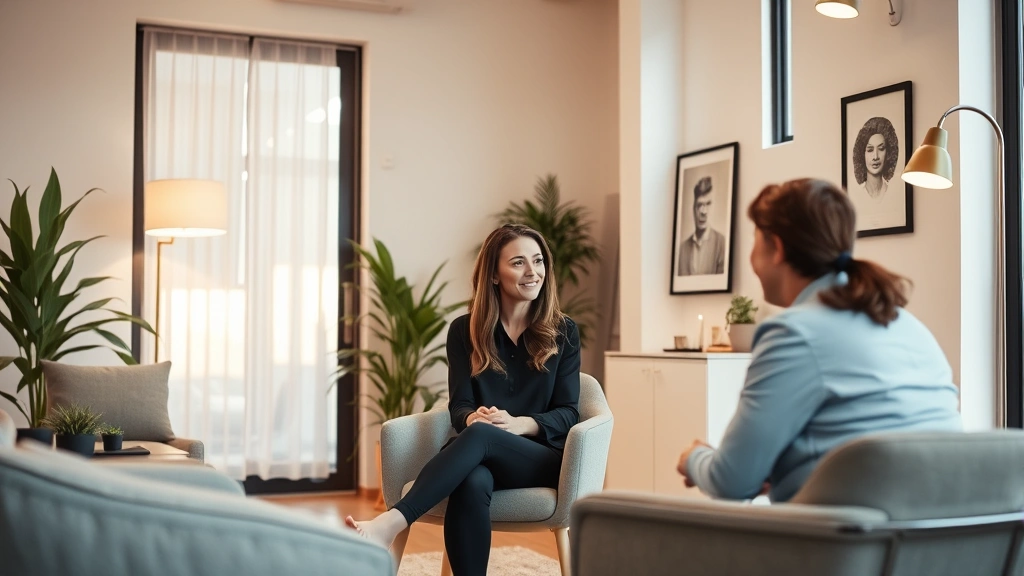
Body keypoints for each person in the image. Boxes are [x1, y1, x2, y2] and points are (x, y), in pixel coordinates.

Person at [676, 178, 961, 503]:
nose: (751, 258)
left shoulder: (792, 333)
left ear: (777, 248)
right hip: (940, 542)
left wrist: (694, 458)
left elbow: (731, 482)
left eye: (755, 242)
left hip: (843, 546)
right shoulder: (907, 324)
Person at [345, 224, 581, 575]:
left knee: (481, 437)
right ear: (495, 275)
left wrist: (520, 425)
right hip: (479, 452)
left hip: (539, 457)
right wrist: (473, 419)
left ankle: (391, 523)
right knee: (472, 481)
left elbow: (569, 413)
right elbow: (459, 406)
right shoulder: (464, 330)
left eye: (538, 261)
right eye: (518, 262)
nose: (533, 272)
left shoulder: (563, 331)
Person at [848, 116, 903, 230]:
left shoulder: (894, 193)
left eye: (881, 148)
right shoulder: (856, 197)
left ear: (888, 152)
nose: (876, 157)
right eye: (870, 150)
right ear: (861, 154)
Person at [677, 176, 726, 276]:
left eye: (708, 204)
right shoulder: (681, 250)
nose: (703, 211)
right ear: (693, 208)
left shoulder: (722, 244)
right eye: (699, 205)